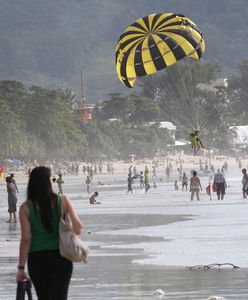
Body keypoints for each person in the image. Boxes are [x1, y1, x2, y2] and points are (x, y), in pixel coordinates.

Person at [16, 166, 83, 300]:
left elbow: (26, 239)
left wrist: (21, 268)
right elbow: (78, 228)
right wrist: (68, 226)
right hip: (61, 258)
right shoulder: (63, 201)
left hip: (37, 260)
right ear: (48, 182)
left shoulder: (25, 208)